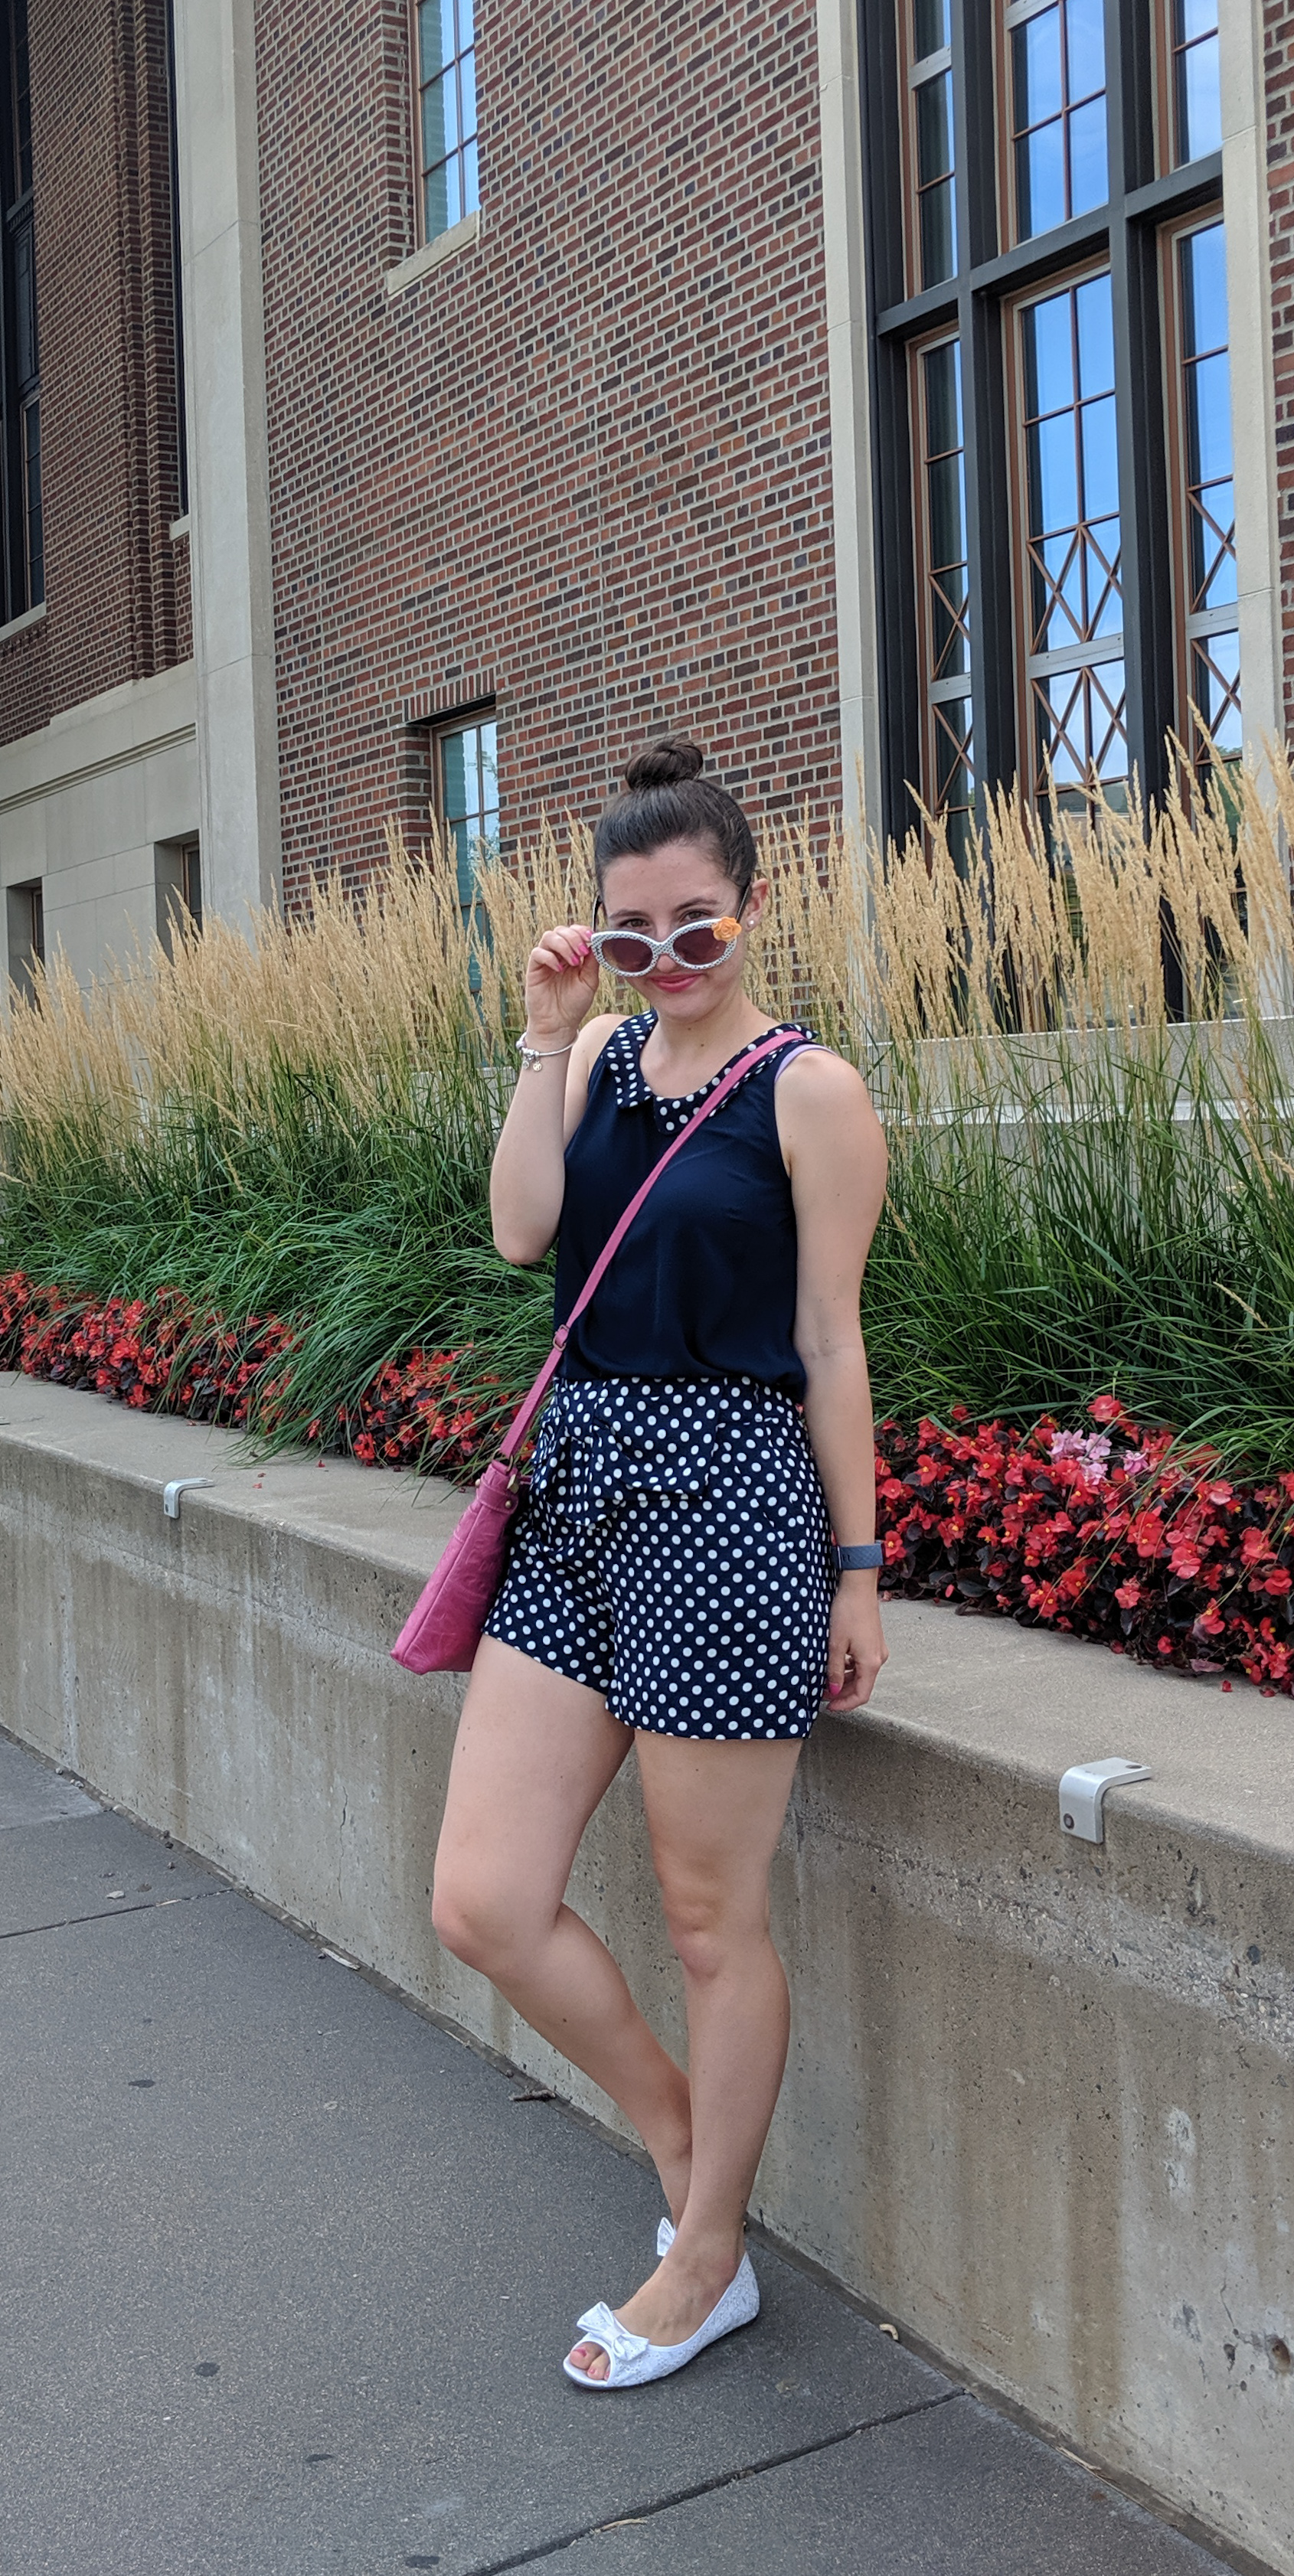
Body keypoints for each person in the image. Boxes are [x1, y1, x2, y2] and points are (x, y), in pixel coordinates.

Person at [430, 736, 890, 2389]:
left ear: (749, 909)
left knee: (710, 1921)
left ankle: (706, 2256)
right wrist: (544, 1036)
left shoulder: (809, 1092)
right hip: (578, 1491)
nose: (669, 957)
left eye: (697, 926)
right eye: (634, 934)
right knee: (483, 1898)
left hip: (729, 1508)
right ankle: (689, 2148)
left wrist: (856, 1567)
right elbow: (518, 1231)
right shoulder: (600, 1055)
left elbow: (830, 1340)